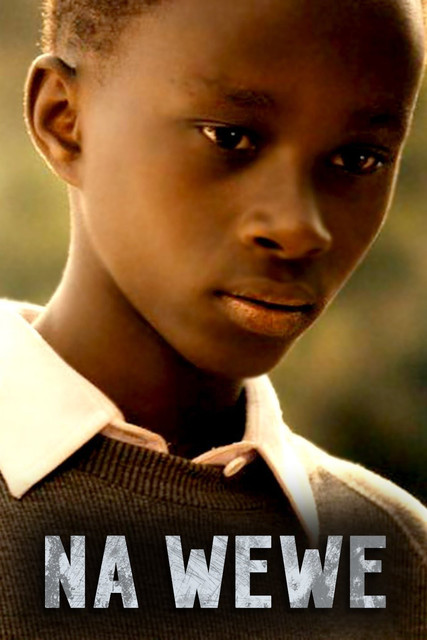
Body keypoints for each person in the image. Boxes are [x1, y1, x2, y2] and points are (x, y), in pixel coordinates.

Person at [0, 0, 426, 638]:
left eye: (359, 159)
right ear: (64, 120)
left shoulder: (398, 560)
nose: (299, 228)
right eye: (230, 137)